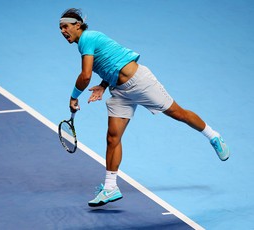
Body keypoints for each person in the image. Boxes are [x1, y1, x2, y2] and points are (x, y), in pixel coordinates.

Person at [59, 8, 230, 207]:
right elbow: (112, 60)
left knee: (178, 113)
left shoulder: (88, 38)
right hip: (120, 91)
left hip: (140, 83)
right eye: (60, 28)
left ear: (77, 25)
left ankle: (213, 135)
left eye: (65, 26)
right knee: (112, 137)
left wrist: (73, 97)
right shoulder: (86, 43)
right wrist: (104, 85)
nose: (63, 31)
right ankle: (110, 187)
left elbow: (85, 75)